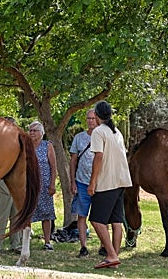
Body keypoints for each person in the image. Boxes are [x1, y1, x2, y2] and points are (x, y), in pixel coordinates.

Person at [87, 100, 132, 269]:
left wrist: (92, 183)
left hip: (107, 182)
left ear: (97, 116)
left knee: (97, 221)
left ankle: (111, 255)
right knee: (116, 220)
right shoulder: (117, 132)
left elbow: (98, 157)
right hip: (121, 181)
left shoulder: (98, 132)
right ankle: (114, 257)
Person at [69, 108, 101, 258]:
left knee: (101, 216)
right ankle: (83, 247)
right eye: (88, 118)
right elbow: (73, 161)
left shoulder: (103, 137)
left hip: (100, 183)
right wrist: (72, 181)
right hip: (82, 182)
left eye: (93, 118)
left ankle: (103, 245)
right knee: (81, 215)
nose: (90, 121)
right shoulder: (79, 138)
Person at [0, 116, 22, 254]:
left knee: (17, 214)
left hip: (15, 182)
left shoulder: (15, 142)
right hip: (1, 181)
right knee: (2, 214)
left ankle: (16, 244)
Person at [29, 120, 57, 251]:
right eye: (30, 130)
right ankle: (25, 240)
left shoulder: (47, 145)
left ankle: (47, 241)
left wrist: (52, 184)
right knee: (27, 212)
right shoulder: (26, 145)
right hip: (29, 184)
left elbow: (53, 166)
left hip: (45, 184)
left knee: (46, 214)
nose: (32, 133)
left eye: (34, 130)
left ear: (41, 133)